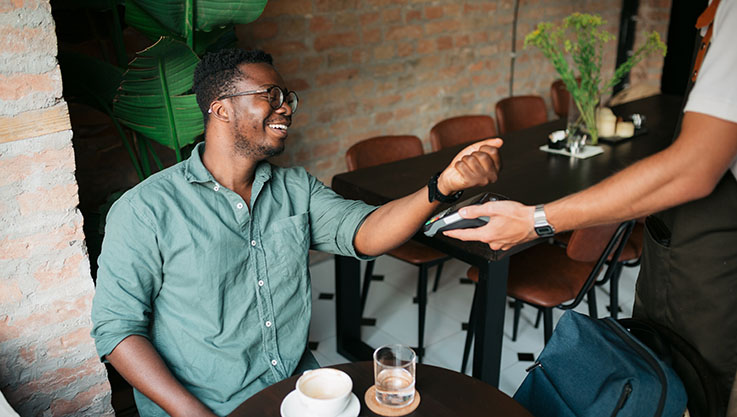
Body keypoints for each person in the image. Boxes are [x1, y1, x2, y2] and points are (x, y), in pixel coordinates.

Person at [90, 48, 502, 417]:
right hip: (203, 403)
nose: (286, 108)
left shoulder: (295, 188)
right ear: (221, 109)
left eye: (288, 98)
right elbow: (117, 330)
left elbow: (365, 232)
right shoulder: (145, 210)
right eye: (271, 95)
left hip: (296, 391)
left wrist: (441, 187)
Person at [445, 0, 737, 412]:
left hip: (715, 264)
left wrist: (536, 221)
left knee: (696, 389)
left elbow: (693, 167)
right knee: (658, 378)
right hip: (677, 251)